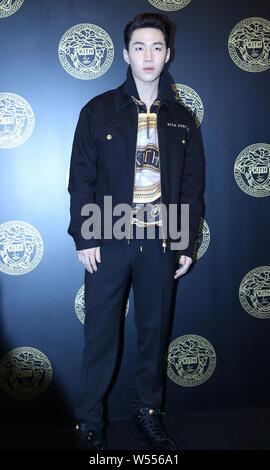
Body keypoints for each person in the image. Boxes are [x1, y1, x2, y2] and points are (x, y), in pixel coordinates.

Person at [68, 12, 205, 450]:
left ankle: (147, 416)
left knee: (154, 335)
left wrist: (184, 242)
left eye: (157, 47)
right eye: (140, 47)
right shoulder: (97, 110)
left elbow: (190, 186)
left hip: (161, 244)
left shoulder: (183, 118)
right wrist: (86, 236)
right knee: (100, 337)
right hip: (108, 239)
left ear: (168, 55)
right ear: (126, 54)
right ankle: (89, 421)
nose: (149, 55)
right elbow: (81, 179)